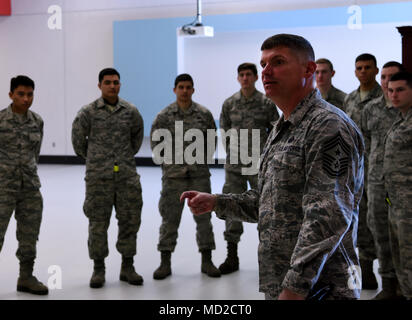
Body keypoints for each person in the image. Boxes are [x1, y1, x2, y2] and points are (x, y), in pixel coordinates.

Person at [181, 34, 364, 300]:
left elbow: (327, 216)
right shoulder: (282, 128)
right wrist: (217, 202)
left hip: (320, 288)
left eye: (278, 62)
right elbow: (268, 202)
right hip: (282, 282)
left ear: (309, 69)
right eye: (263, 64)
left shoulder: (327, 126)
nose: (266, 71)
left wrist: (294, 288)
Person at [71, 68, 144, 288]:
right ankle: (98, 269)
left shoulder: (130, 111)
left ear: (120, 85)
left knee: (130, 221)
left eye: (116, 82)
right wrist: (97, 160)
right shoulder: (88, 112)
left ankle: (127, 267)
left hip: (126, 177)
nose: (112, 86)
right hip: (98, 179)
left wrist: (122, 158)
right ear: (100, 85)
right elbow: (78, 142)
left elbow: (137, 138)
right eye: (107, 82)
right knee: (97, 224)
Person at [150, 73, 220, 280]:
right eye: (181, 87)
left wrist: (200, 161)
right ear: (175, 90)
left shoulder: (203, 114)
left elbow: (211, 141)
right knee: (169, 219)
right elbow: (156, 143)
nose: (185, 90)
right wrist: (170, 164)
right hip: (173, 177)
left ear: (193, 90)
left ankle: (207, 261)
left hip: (199, 175)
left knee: (204, 218)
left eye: (188, 87)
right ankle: (165, 262)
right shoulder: (164, 116)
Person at [218, 62, 279, 274]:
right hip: (234, 165)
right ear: (238, 78)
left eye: (248, 74)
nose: (245, 78)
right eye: (241, 75)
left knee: (265, 208)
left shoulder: (266, 102)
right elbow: (224, 129)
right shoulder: (229, 103)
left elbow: (276, 130)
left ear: (255, 77)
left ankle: (269, 258)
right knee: (231, 206)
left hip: (259, 165)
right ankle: (231, 255)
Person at [0, 75, 48, 295]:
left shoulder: (37, 121)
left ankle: (26, 277)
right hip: (3, 188)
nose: (26, 99)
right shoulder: (1, 121)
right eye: (21, 94)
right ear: (11, 94)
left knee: (29, 235)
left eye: (30, 94)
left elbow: (34, 155)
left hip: (29, 187)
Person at [361, 61, 405, 299]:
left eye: (392, 77)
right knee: (379, 231)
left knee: (403, 236)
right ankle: (388, 285)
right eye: (384, 77)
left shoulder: (405, 108)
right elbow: (365, 144)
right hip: (377, 183)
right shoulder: (371, 109)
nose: (387, 82)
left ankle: (403, 285)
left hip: (403, 186)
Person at [343, 53, 382, 289]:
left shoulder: (384, 97)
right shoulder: (350, 99)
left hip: (377, 172)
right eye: (359, 68)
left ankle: (378, 271)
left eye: (368, 67)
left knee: (376, 222)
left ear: (375, 70)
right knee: (354, 222)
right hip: (353, 171)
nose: (363, 71)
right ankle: (362, 273)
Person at [383, 71, 412, 300]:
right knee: (400, 258)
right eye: (391, 90)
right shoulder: (400, 118)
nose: (394, 95)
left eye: (400, 90)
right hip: (396, 203)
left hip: (410, 205)